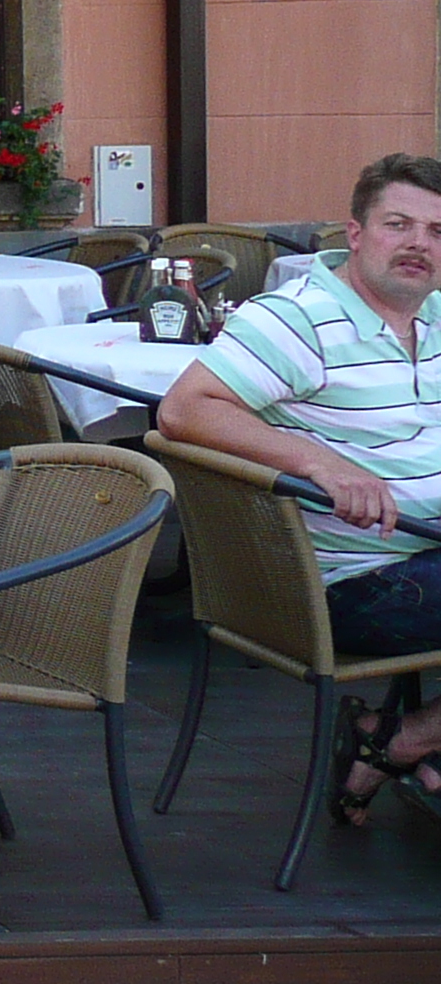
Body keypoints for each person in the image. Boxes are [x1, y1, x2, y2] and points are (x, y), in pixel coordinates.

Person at [157, 151, 441, 826]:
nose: (418, 246)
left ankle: (406, 744)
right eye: (399, 225)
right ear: (356, 232)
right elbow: (183, 410)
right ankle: (402, 740)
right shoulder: (298, 317)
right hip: (360, 577)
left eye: (436, 232)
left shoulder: (432, 318)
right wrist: (319, 462)